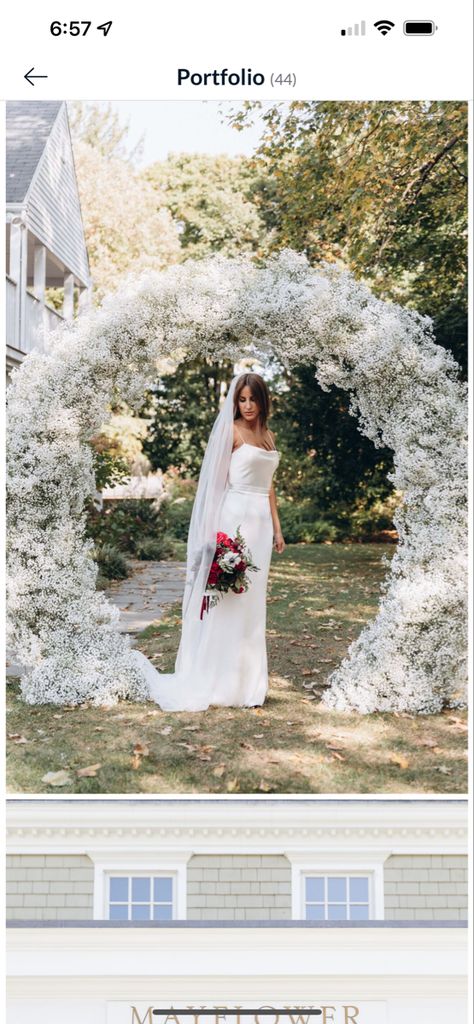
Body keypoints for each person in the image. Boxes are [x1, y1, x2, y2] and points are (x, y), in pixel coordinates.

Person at [132, 372, 285, 710]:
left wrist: (277, 527)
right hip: (235, 519)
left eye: (252, 399)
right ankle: (218, 681)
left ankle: (248, 684)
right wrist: (213, 535)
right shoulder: (230, 432)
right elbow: (215, 486)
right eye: (241, 399)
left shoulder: (268, 437)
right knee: (227, 599)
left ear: (263, 401)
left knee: (252, 601)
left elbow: (270, 486)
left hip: (260, 524)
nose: (247, 406)